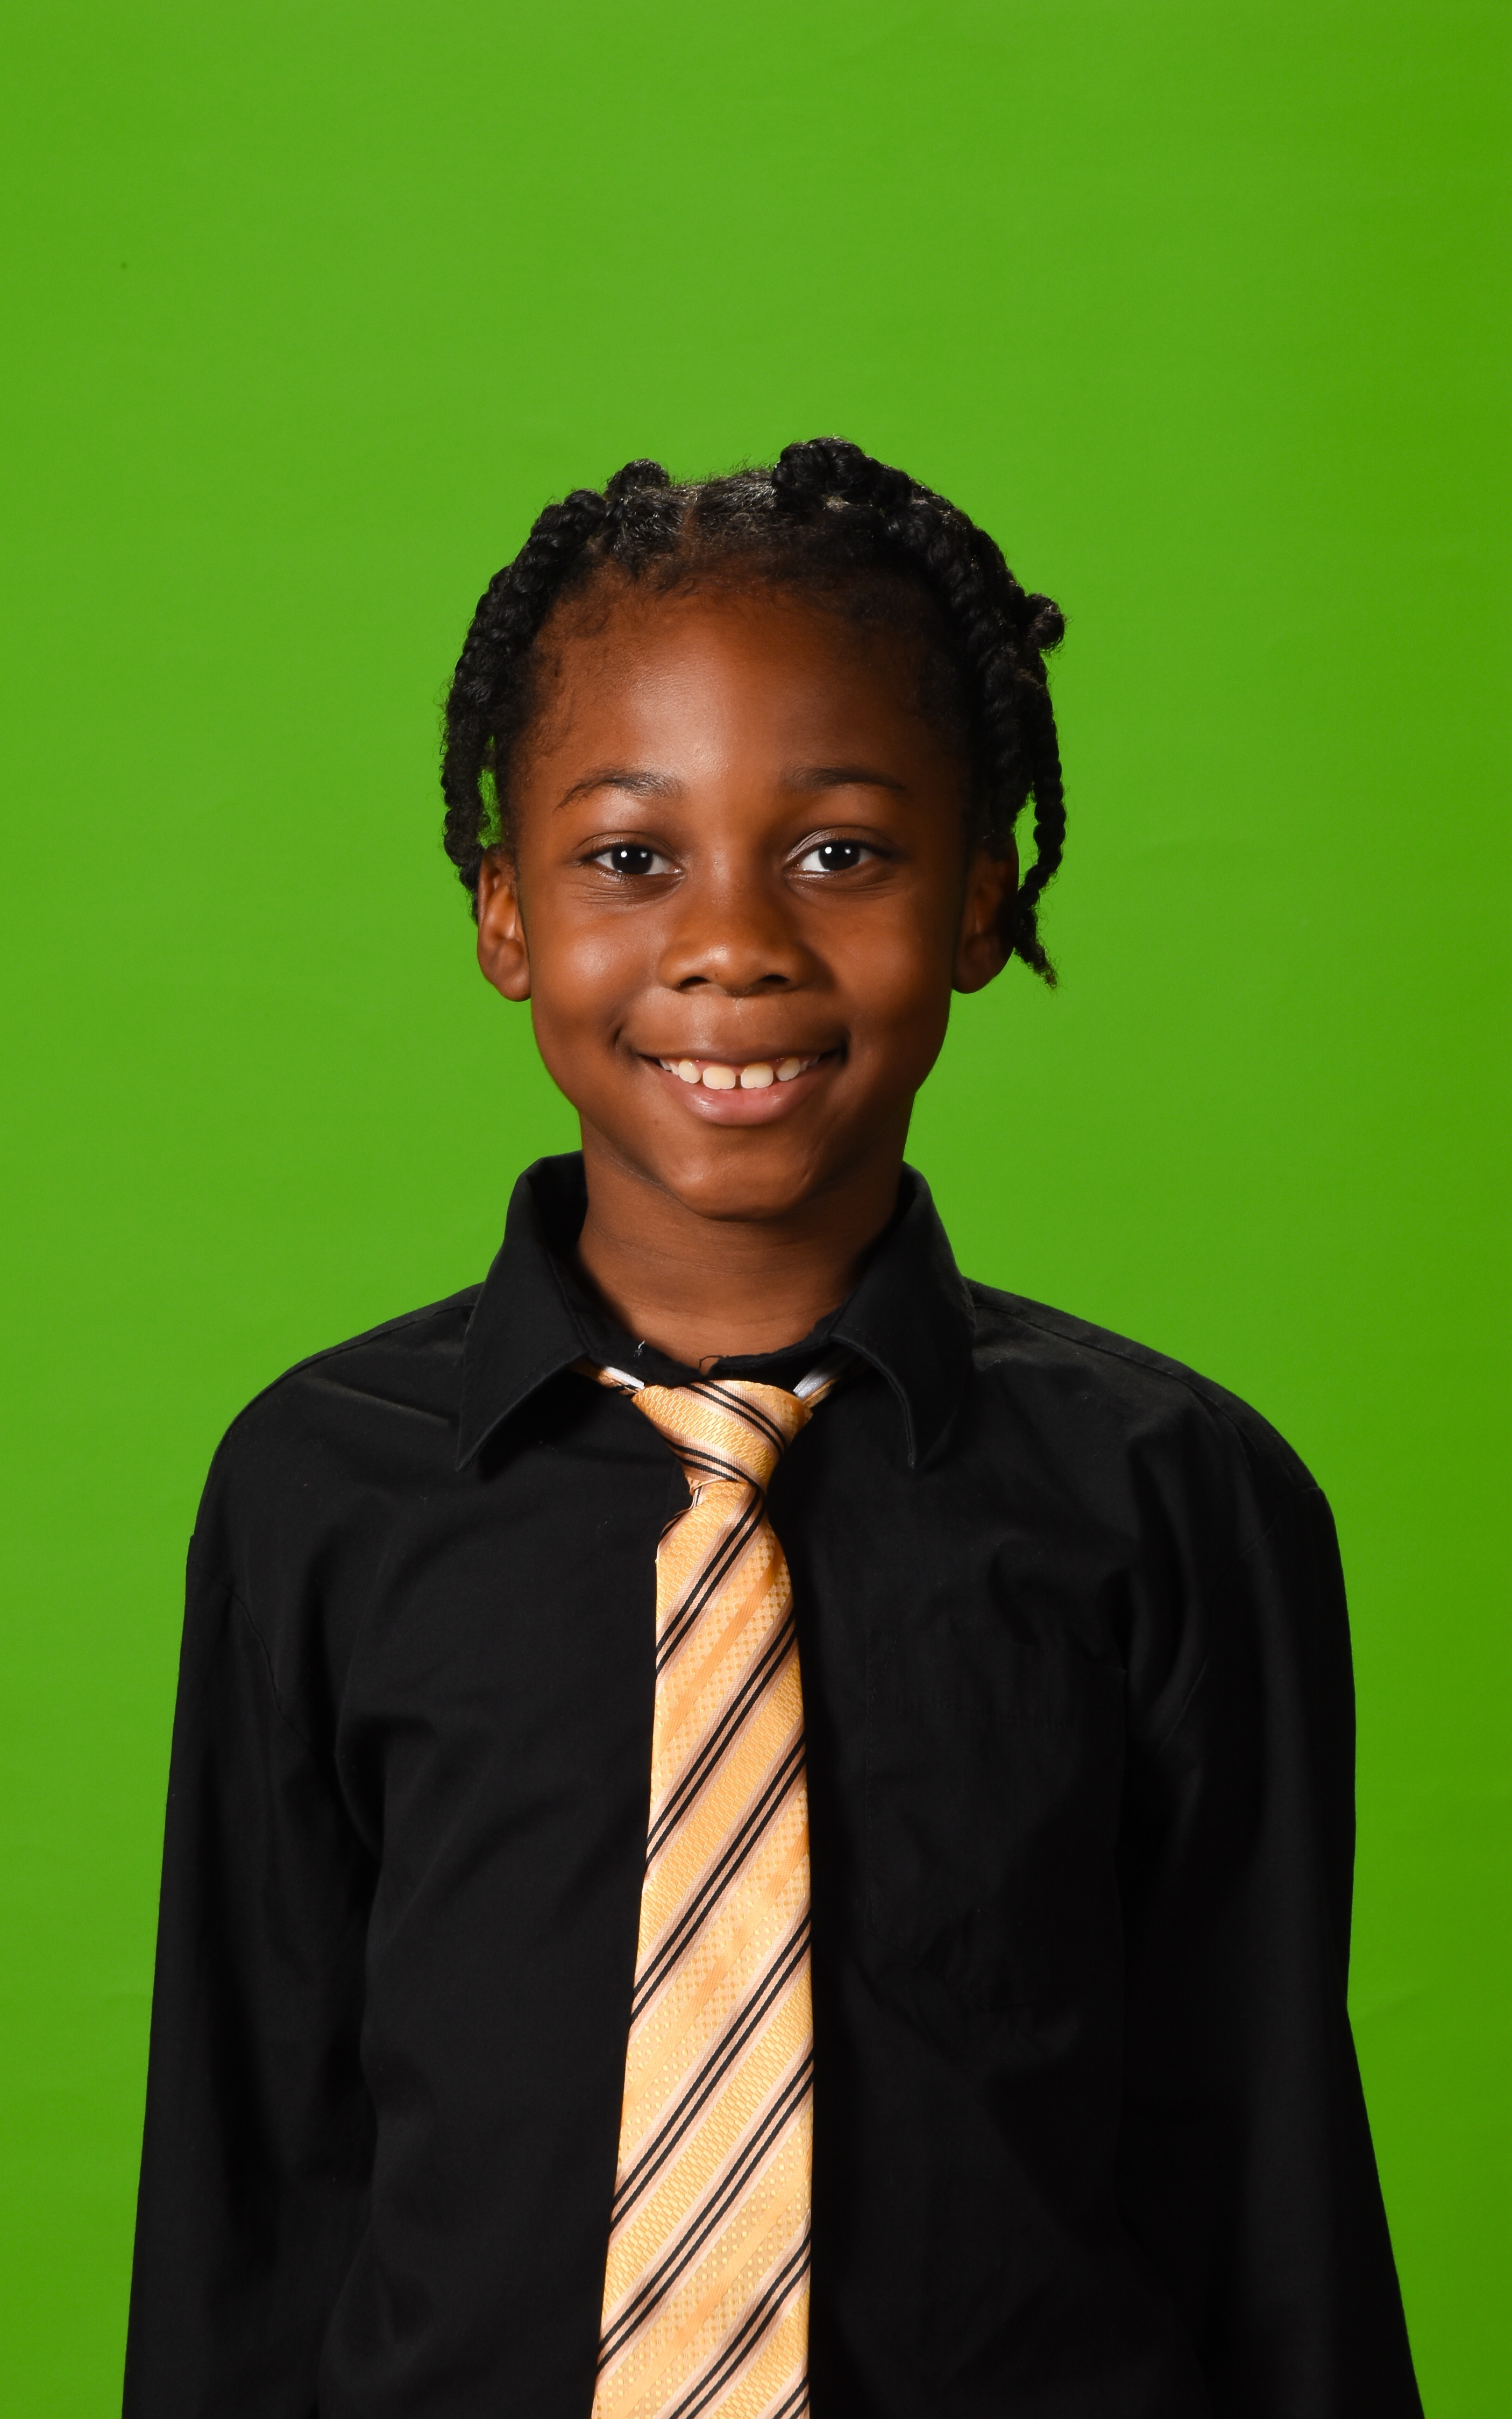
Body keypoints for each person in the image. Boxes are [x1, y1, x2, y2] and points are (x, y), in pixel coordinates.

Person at [123, 440, 1421, 2418]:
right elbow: (248, 2199)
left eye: (839, 854)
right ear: (503, 914)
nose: (735, 942)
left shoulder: (1179, 1503)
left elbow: (1268, 2196)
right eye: (630, 859)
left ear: (981, 897)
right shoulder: (320, 1490)